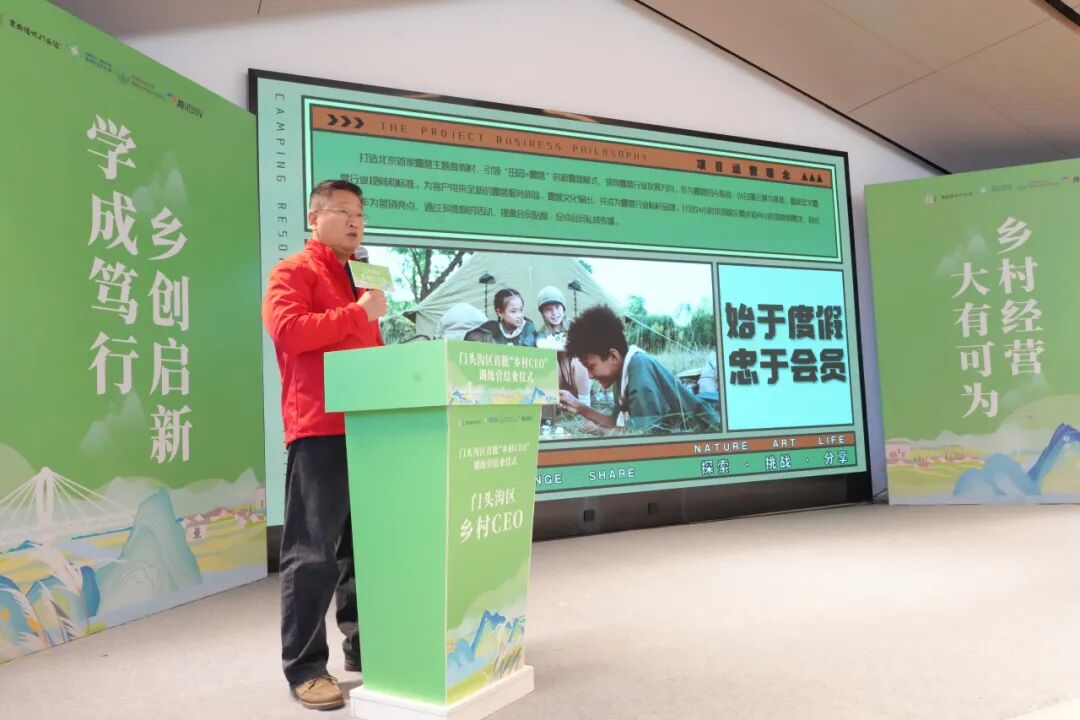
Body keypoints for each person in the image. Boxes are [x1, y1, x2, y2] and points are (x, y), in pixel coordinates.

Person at [262, 179, 387, 711]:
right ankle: (306, 668)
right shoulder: (293, 271)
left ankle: (363, 645)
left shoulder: (364, 278)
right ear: (314, 218)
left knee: (366, 550)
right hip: (319, 428)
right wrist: (360, 313)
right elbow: (289, 331)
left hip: (372, 429)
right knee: (312, 553)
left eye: (360, 213)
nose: (355, 221)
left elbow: (372, 346)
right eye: (342, 211)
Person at [560, 305, 721, 435]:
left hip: (712, 421)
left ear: (613, 356)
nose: (589, 375)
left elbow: (645, 434)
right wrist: (579, 407)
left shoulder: (639, 373)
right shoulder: (621, 373)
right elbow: (618, 422)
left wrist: (599, 430)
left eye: (591, 367)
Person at [534, 286, 591, 406]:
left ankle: (585, 404)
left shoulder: (575, 326)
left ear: (563, 308)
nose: (554, 313)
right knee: (550, 363)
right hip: (558, 382)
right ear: (542, 313)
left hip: (576, 379)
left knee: (580, 362)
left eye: (557, 307)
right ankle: (552, 403)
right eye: (548, 309)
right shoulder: (542, 335)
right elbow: (541, 348)